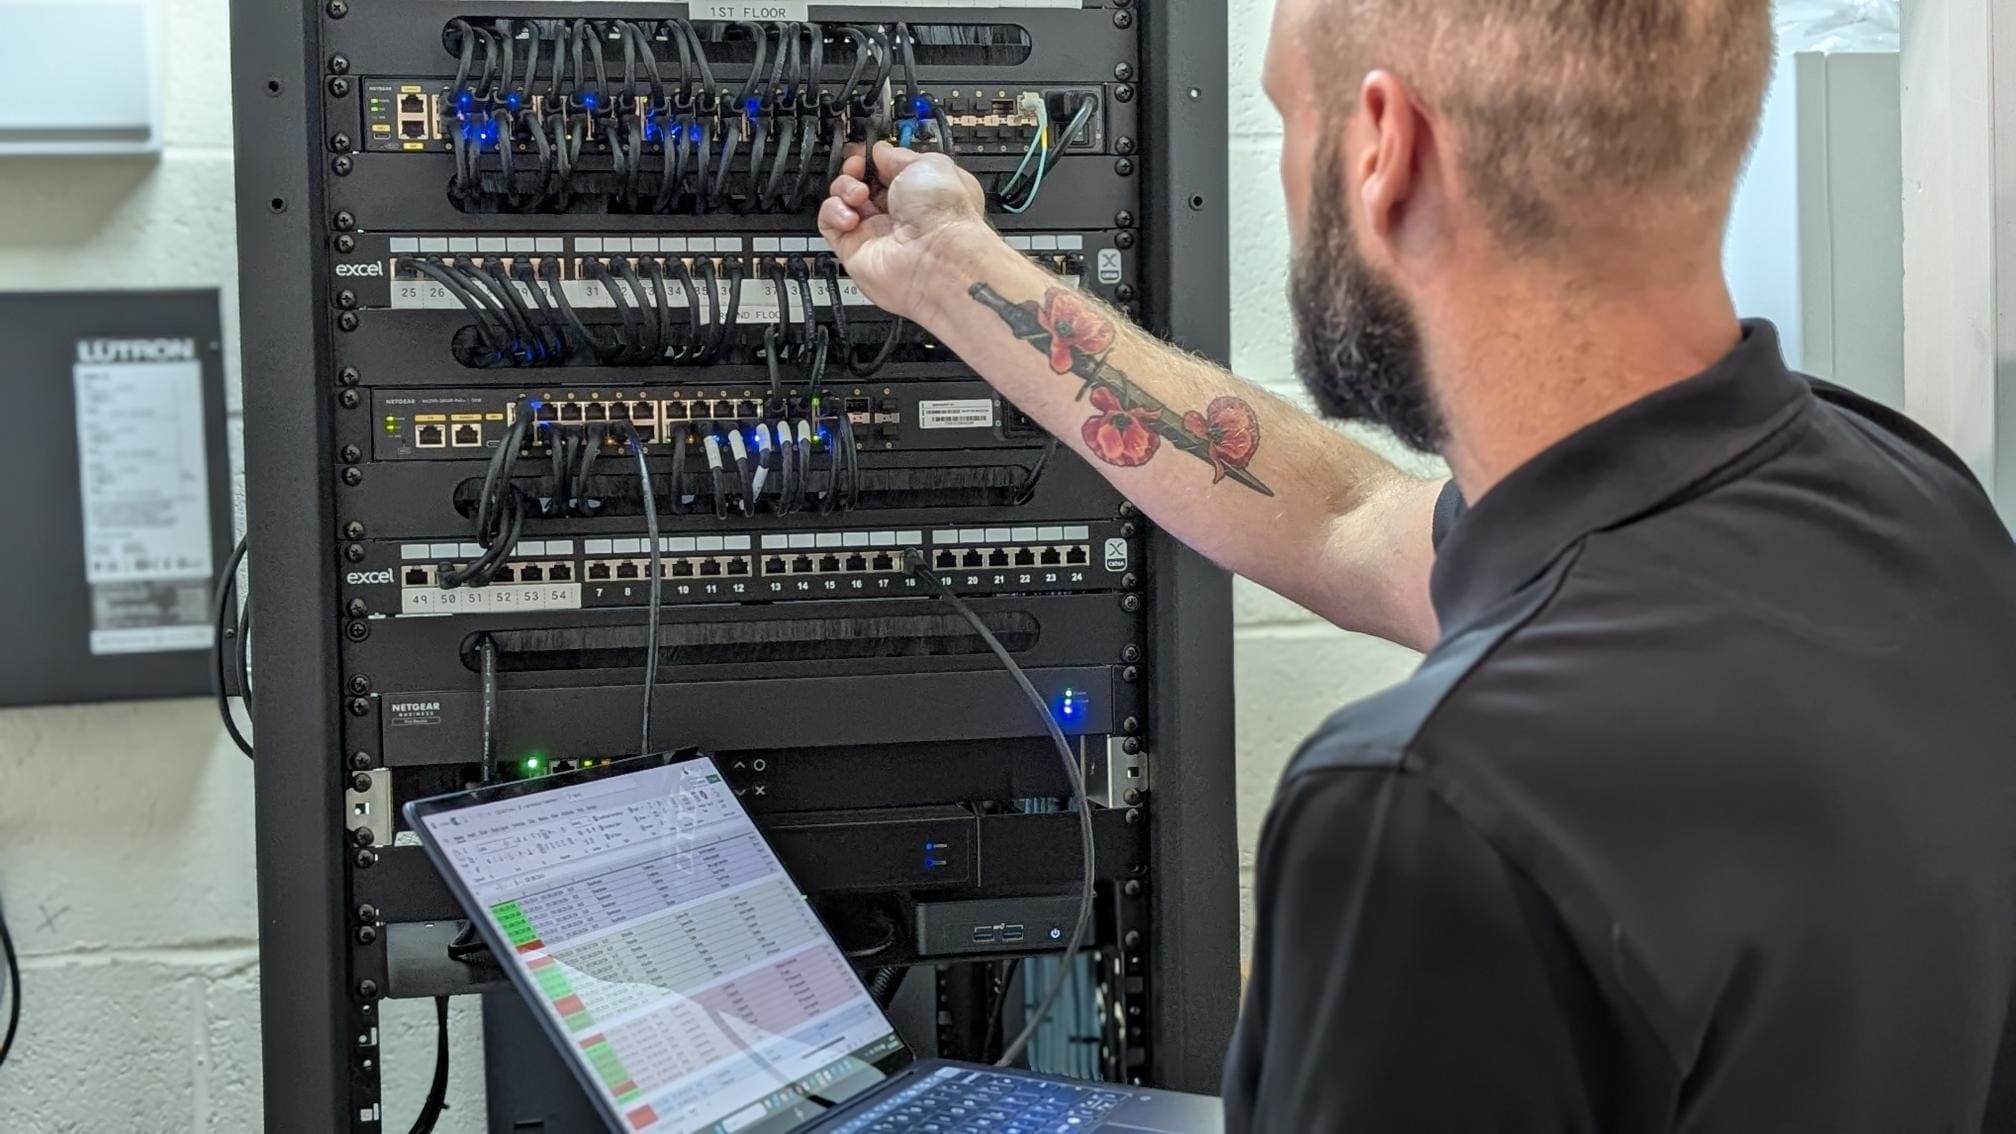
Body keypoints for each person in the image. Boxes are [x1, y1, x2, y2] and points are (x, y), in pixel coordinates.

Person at [821, 0, 2016, 1127]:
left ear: (1384, 146)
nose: (1291, 177)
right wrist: (950, 266)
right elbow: (1346, 515)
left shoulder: (1426, 811)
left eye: (1292, 119)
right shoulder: (1908, 496)